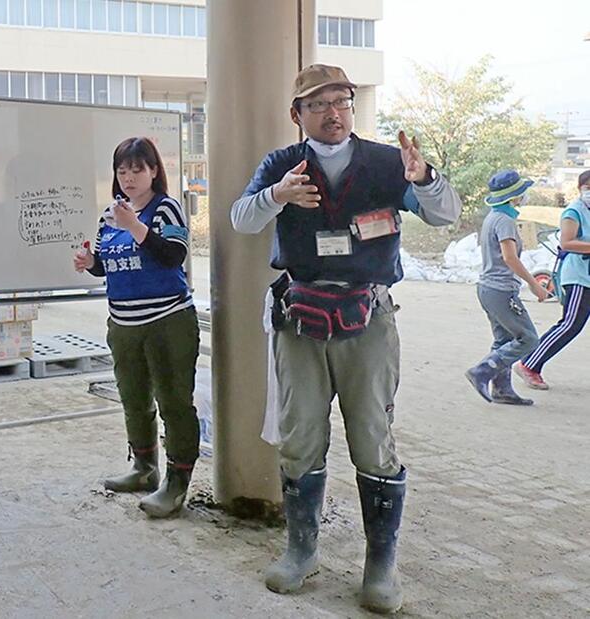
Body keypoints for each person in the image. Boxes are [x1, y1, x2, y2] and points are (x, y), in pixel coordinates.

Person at [230, 64, 461, 614]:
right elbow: (241, 219)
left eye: (342, 101)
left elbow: (445, 214)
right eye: (319, 104)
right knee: (299, 436)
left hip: (369, 316)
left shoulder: (386, 162)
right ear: (298, 115)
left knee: (373, 439)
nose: (333, 113)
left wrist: (424, 176)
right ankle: (301, 550)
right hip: (300, 316)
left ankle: (381, 566)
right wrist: (278, 194)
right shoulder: (282, 165)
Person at [73, 136, 199, 518]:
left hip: (167, 321)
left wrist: (136, 227)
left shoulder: (165, 209)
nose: (129, 177)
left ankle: (176, 484)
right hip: (124, 323)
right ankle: (144, 468)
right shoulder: (110, 214)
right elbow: (105, 264)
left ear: (154, 171)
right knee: (133, 398)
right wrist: (87, 260)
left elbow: (173, 256)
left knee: (174, 402)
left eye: (137, 169)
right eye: (122, 170)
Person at [464, 170, 548, 405]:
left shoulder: (493, 217)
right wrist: (534, 285)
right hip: (501, 290)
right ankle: (482, 370)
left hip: (488, 288)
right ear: (514, 196)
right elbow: (510, 258)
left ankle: (502, 389)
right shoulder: (505, 221)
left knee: (503, 340)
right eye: (523, 192)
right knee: (529, 338)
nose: (525, 196)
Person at [515, 169, 590, 389]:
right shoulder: (574, 211)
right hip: (579, 277)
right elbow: (567, 243)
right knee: (570, 324)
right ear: (580, 189)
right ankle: (529, 364)